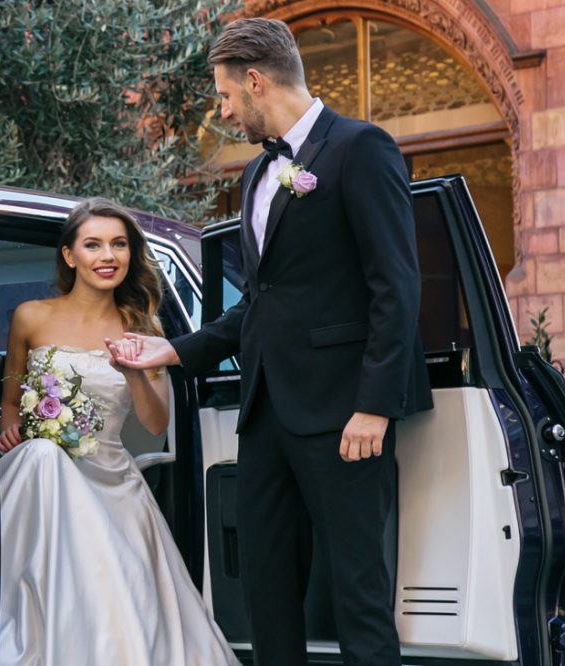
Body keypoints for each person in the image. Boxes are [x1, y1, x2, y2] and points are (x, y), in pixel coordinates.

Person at [115, 18, 434, 666]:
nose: (223, 111)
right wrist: (174, 351)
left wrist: (374, 405)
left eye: (225, 96)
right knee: (265, 592)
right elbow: (262, 303)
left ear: (256, 81)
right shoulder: (258, 174)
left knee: (358, 595)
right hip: (265, 417)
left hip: (344, 415)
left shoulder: (360, 148)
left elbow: (396, 287)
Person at [0, 197, 237, 665]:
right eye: (93, 245)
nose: (108, 256)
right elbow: (10, 401)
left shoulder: (141, 328)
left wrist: (132, 373)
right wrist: (11, 430)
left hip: (109, 480)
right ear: (70, 255)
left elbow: (156, 423)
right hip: (39, 475)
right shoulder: (30, 316)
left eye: (119, 244)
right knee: (43, 458)